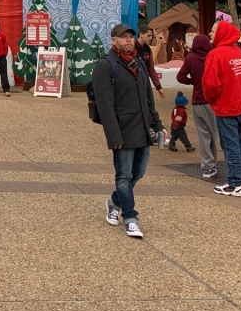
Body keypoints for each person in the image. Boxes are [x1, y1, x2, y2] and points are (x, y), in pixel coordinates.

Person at [91, 23, 167, 239]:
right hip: (122, 129)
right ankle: (131, 218)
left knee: (138, 172)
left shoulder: (139, 64)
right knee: (124, 175)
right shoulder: (106, 66)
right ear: (113, 40)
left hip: (141, 127)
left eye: (130, 37)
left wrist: (157, 123)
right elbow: (105, 105)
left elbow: (147, 97)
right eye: (123, 37)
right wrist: (113, 136)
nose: (128, 40)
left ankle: (114, 201)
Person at [202, 20, 241, 196]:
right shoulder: (239, 52)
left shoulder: (216, 54)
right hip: (240, 106)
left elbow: (210, 84)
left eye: (213, 30)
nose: (210, 33)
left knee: (230, 146)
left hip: (226, 107)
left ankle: (235, 183)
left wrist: (213, 101)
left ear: (222, 33)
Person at [176, 33, 218, 177]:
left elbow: (180, 77)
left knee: (203, 134)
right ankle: (213, 163)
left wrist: (193, 82)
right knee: (213, 133)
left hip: (197, 100)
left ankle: (207, 165)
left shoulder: (190, 58)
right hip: (213, 101)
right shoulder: (212, 57)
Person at [136, 25, 166, 99]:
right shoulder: (132, 47)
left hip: (145, 82)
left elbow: (151, 69)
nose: (150, 38)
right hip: (134, 83)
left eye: (151, 36)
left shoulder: (148, 49)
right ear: (141, 35)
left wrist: (158, 87)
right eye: (148, 35)